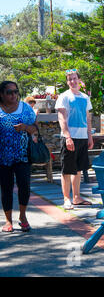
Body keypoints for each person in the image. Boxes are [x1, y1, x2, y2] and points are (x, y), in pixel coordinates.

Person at [0, 81, 37, 232]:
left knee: (24, 186)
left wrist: (25, 128)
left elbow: (35, 128)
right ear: (1, 94)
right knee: (6, 188)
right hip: (2, 158)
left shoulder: (25, 108)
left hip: (22, 156)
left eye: (16, 91)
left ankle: (22, 216)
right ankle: (8, 221)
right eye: (9, 92)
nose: (14, 95)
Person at [55, 69, 94, 210]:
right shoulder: (64, 97)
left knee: (78, 170)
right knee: (67, 170)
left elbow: (87, 117)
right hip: (70, 138)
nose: (72, 81)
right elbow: (62, 118)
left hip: (83, 137)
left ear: (79, 80)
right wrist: (67, 137)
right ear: (67, 82)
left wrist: (90, 136)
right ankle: (66, 198)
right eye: (69, 79)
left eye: (74, 78)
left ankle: (76, 197)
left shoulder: (85, 97)